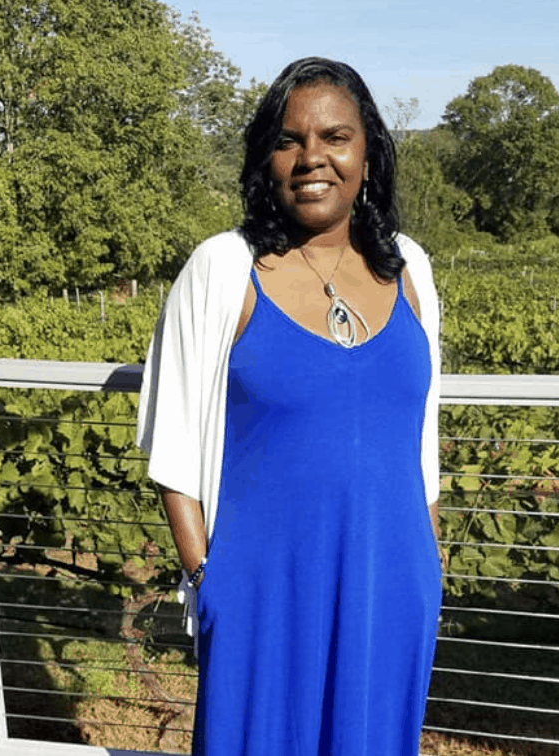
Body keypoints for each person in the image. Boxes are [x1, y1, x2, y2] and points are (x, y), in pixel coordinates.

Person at [136, 56, 442, 756]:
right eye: (288, 140)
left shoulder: (411, 268)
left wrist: (429, 571)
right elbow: (172, 447)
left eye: (335, 137)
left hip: (392, 583)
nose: (312, 158)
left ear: (368, 154)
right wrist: (208, 581)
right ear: (265, 160)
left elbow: (421, 443)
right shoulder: (222, 268)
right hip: (262, 592)